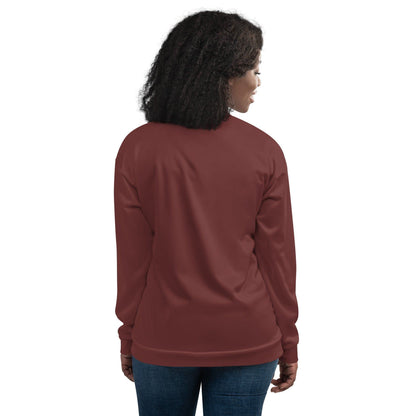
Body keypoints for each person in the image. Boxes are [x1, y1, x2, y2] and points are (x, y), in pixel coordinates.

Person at [114, 9, 299, 416]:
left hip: (162, 337)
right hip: (247, 336)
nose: (257, 82)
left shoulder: (137, 148)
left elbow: (133, 260)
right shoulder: (264, 152)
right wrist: (289, 338)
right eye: (253, 70)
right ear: (224, 74)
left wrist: (129, 333)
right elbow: (278, 262)